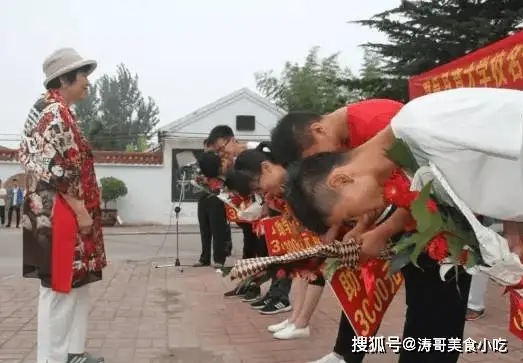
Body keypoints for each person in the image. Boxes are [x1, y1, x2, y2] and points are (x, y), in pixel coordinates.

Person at [283, 88, 523, 362]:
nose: (362, 215)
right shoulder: (412, 165)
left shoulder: (420, 123)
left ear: (340, 180)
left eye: (350, 211)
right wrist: (514, 233)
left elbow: (514, 131)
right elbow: (499, 174)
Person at [270, 100, 404, 363]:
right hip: (401, 219)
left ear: (318, 130)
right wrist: (364, 226)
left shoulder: (381, 123)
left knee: (431, 308)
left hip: (436, 226)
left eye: (317, 159)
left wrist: (383, 231)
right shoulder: (344, 138)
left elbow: (422, 187)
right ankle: (345, 354)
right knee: (362, 287)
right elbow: (373, 195)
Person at [19, 48, 106, 363]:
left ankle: (73, 352)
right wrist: (81, 210)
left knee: (74, 284)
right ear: (65, 79)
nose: (87, 83)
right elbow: (57, 169)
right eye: (83, 76)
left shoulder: (55, 110)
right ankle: (53, 359)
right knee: (59, 289)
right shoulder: (54, 113)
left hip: (59, 210)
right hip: (60, 212)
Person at [227, 146, 324, 338]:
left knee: (315, 270)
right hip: (307, 229)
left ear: (267, 168)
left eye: (258, 185)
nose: (262, 190)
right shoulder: (283, 185)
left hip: (322, 230)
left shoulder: (300, 177)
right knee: (301, 269)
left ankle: (302, 322)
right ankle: (296, 319)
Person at [192, 139, 229, 269]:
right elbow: (197, 176)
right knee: (204, 229)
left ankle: (219, 259)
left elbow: (225, 178)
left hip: (217, 197)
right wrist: (199, 179)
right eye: (205, 147)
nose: (206, 149)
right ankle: (204, 258)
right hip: (203, 196)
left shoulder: (222, 161)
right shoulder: (200, 162)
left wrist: (213, 181)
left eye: (208, 146)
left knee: (217, 229)